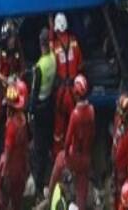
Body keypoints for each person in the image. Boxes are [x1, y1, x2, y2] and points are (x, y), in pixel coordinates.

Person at [48, 74, 95, 210]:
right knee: (82, 185)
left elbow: (68, 139)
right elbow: (93, 133)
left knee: (58, 162)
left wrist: (67, 157)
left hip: (73, 155)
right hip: (85, 156)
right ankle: (81, 206)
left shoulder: (75, 114)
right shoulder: (91, 111)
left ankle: (49, 195)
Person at [0, 79, 30, 210]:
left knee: (1, 201)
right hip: (21, 169)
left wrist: (3, 174)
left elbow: (7, 151)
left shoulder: (11, 126)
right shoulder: (23, 121)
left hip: (11, 170)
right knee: (17, 201)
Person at [49, 13, 84, 157]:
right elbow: (81, 65)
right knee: (75, 124)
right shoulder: (75, 42)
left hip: (61, 93)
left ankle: (59, 155)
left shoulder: (55, 47)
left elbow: (52, 69)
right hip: (74, 92)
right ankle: (75, 152)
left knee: (59, 127)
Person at [0, 19, 26, 148]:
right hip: (3, 89)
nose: (12, 41)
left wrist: (16, 78)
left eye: (13, 38)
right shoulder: (2, 50)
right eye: (10, 38)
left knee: (17, 117)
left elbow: (23, 68)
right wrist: (6, 79)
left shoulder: (18, 48)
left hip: (15, 90)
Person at [29, 27, 57, 198]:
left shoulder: (39, 67)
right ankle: (49, 170)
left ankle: (38, 184)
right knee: (47, 139)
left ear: (41, 45)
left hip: (39, 107)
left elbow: (34, 91)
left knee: (38, 145)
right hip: (49, 105)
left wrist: (30, 111)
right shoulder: (53, 59)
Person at [112, 93, 128, 209]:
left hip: (123, 173)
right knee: (116, 194)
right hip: (116, 168)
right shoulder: (118, 122)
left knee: (124, 199)